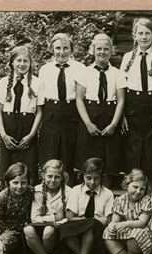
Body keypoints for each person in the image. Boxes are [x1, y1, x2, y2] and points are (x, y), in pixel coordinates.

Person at [74, 33, 126, 188]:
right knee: (89, 160)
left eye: (106, 49)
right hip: (90, 115)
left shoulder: (118, 73)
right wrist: (88, 123)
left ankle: (107, 194)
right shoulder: (84, 72)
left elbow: (121, 100)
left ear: (111, 51)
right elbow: (79, 99)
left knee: (109, 161)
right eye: (99, 49)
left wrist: (114, 125)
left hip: (110, 116)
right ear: (93, 50)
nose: (102, 52)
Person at [120, 18, 152, 182]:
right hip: (133, 105)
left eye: (147, 33)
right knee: (133, 146)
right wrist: (123, 116)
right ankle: (133, 183)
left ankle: (150, 183)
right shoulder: (127, 57)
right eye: (140, 33)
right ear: (134, 36)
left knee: (151, 146)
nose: (144, 37)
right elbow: (122, 88)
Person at [37, 33, 85, 185]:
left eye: (66, 48)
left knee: (68, 156)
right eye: (58, 48)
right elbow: (41, 97)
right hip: (51, 114)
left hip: (71, 113)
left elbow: (81, 95)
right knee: (49, 156)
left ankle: (69, 194)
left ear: (72, 50)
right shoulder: (45, 69)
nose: (62, 52)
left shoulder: (80, 68)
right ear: (52, 49)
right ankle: (47, 192)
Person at [0, 46, 41, 184]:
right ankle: (5, 201)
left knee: (29, 169)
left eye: (25, 61)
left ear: (30, 63)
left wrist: (32, 135)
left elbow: (39, 111)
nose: (22, 64)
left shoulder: (38, 82)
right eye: (18, 60)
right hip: (8, 127)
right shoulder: (3, 82)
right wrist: (3, 135)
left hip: (28, 127)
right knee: (6, 170)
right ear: (12, 63)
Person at [62, 158, 114, 254]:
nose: (92, 182)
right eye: (88, 178)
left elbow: (107, 220)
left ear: (102, 177)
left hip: (97, 231)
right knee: (64, 228)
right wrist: (91, 219)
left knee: (91, 226)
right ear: (83, 176)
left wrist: (89, 220)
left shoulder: (108, 194)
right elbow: (70, 217)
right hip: (78, 226)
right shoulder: (76, 190)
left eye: (96, 178)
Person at [104, 169, 152, 254]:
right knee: (107, 232)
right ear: (127, 185)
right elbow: (115, 220)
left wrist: (126, 224)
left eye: (142, 189)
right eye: (135, 187)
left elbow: (142, 223)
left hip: (140, 231)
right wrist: (112, 225)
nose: (138, 191)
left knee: (135, 235)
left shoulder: (146, 200)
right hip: (126, 229)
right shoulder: (120, 200)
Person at [23, 159, 73, 254]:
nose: (53, 180)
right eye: (49, 176)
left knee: (49, 230)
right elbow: (35, 218)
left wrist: (53, 219)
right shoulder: (37, 191)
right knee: (27, 229)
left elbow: (69, 217)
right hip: (38, 228)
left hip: (58, 231)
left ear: (63, 177)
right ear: (43, 175)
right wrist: (55, 217)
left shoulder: (69, 192)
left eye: (57, 177)